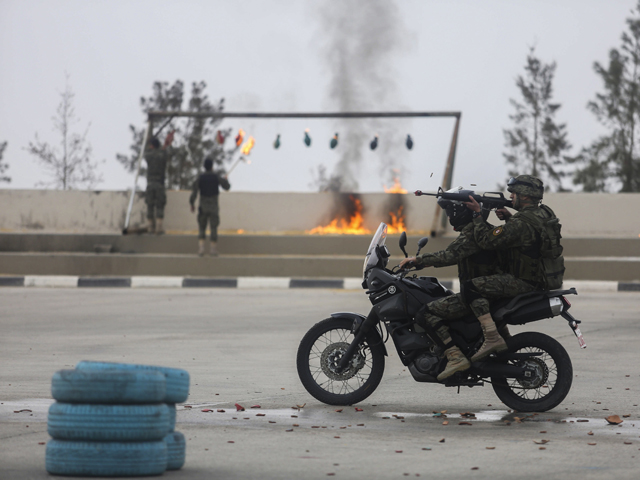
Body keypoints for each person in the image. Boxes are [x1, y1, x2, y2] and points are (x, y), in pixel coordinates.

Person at [398, 194, 504, 380]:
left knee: (425, 314)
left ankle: (455, 357)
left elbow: (449, 255)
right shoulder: (481, 229)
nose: (449, 216)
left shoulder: (473, 232)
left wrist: (417, 260)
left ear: (461, 212)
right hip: (487, 293)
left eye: (450, 211)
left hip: (479, 296)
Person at [461, 174, 558, 362]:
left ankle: (491, 337)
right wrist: (509, 217)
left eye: (514, 193)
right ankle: (505, 340)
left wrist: (477, 214)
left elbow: (486, 241)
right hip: (541, 277)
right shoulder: (544, 213)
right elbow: (528, 238)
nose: (511, 196)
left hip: (523, 282)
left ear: (526, 196)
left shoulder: (520, 222)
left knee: (470, 287)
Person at [189, 157, 231, 256]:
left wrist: (192, 203)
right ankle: (213, 250)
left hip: (203, 207)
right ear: (212, 166)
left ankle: (201, 249)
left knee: (202, 227)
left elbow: (194, 191)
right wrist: (225, 180)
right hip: (213, 207)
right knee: (213, 228)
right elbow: (227, 187)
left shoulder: (201, 178)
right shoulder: (216, 177)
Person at [144, 131, 174, 234]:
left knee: (150, 205)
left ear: (151, 145)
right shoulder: (162, 154)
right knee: (160, 205)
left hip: (150, 183)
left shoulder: (148, 155)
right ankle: (159, 227)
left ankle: (150, 227)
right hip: (160, 184)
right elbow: (168, 153)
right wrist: (167, 144)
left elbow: (146, 152)